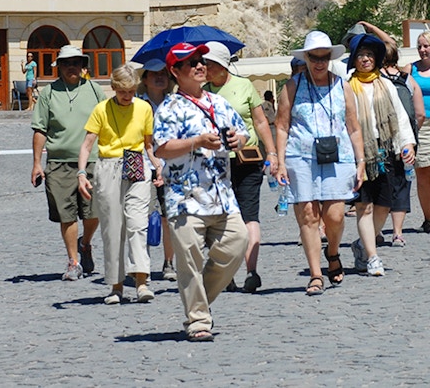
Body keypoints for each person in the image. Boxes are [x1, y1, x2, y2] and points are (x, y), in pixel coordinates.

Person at [154, 42, 249, 342]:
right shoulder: (170, 108)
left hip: (221, 194)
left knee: (238, 243)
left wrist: (238, 140)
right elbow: (162, 148)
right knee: (190, 262)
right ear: (175, 71)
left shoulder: (219, 103)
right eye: (191, 62)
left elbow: (243, 131)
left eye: (201, 61)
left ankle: (200, 301)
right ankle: (197, 320)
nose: (200, 66)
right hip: (185, 198)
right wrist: (196, 142)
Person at [275, 31, 365, 295]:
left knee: (335, 214)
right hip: (301, 157)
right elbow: (281, 126)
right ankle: (316, 274)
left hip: (339, 155)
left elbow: (354, 126)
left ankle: (333, 252)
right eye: (314, 57)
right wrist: (280, 162)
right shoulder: (292, 86)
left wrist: (361, 161)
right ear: (306, 58)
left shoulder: (342, 86)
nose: (319, 63)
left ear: (330, 58)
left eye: (324, 58)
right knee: (308, 215)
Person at [78, 63, 161, 304]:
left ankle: (142, 282)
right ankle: (116, 286)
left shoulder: (144, 108)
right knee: (113, 228)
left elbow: (148, 145)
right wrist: (82, 173)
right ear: (114, 88)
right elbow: (87, 144)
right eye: (122, 91)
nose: (127, 96)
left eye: (131, 91)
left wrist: (157, 165)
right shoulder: (101, 110)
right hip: (109, 166)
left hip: (137, 163)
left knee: (137, 224)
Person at [203, 41, 278, 293]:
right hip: (215, 164)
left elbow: (260, 122)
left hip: (247, 160)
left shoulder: (244, 85)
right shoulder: (201, 92)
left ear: (224, 65)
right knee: (222, 219)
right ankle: (228, 273)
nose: (206, 68)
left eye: (211, 64)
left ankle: (251, 271)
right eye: (204, 64)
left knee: (249, 216)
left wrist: (273, 152)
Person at [31, 45, 105, 280]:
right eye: (66, 63)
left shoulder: (95, 90)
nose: (71, 67)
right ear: (59, 67)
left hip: (92, 161)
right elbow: (40, 129)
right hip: (59, 164)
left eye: (75, 62)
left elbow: (108, 122)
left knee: (94, 213)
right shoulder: (48, 93)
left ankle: (86, 243)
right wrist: (36, 163)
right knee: (67, 215)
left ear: (83, 66)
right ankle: (73, 261)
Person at [347, 34, 415, 276]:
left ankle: (361, 245)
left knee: (385, 204)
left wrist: (406, 143)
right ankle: (372, 256)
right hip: (360, 152)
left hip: (385, 150)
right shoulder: (347, 86)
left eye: (369, 55)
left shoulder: (385, 84)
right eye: (360, 55)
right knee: (364, 205)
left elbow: (398, 116)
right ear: (353, 60)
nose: (365, 59)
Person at [381, 40, 424, 246]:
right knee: (401, 183)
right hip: (404, 140)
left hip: (380, 139)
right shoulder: (407, 79)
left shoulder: (375, 80)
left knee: (379, 185)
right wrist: (412, 135)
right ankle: (397, 232)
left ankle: (376, 231)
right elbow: (419, 113)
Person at [139, 58, 176, 281]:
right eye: (154, 74)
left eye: (164, 73)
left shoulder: (174, 103)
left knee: (168, 217)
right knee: (141, 217)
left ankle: (169, 262)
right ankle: (142, 263)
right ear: (145, 79)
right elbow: (145, 142)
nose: (160, 77)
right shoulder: (137, 104)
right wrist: (155, 163)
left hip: (170, 166)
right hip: (143, 164)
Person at [403, 31, 430, 233]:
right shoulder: (410, 69)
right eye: (419, 46)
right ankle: (428, 218)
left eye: (426, 46)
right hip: (421, 124)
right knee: (423, 172)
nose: (422, 50)